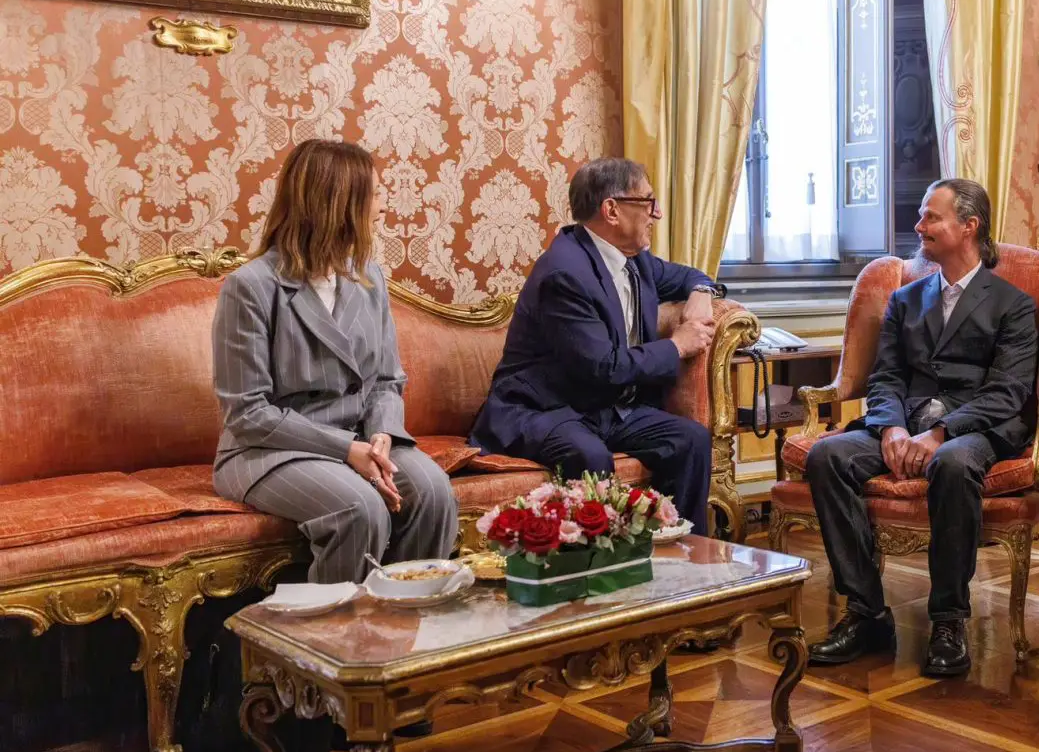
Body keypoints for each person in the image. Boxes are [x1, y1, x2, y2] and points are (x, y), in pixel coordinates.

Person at [803, 178, 1039, 677]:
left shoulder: (1013, 305)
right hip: (905, 424)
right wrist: (890, 429)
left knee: (952, 465)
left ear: (969, 226)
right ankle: (867, 613)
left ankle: (949, 621)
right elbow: (886, 377)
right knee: (828, 455)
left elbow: (1008, 393)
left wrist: (941, 433)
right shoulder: (905, 300)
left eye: (932, 216)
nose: (919, 225)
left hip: (974, 428)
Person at [212, 140, 459, 584]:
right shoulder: (250, 287)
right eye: (375, 194)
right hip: (269, 452)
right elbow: (247, 414)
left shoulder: (368, 276)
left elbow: (387, 380)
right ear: (338, 204)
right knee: (359, 509)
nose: (384, 206)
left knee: (433, 491)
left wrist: (381, 436)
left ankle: (405, 620)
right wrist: (346, 450)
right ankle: (339, 628)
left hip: (362, 440)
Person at [469, 158, 726, 533]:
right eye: (648, 201)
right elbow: (604, 367)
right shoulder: (565, 273)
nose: (657, 213)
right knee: (588, 455)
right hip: (543, 409)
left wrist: (701, 291)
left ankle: (683, 555)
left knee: (690, 439)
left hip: (602, 408)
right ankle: (604, 562)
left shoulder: (636, 261)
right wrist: (677, 346)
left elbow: (688, 275)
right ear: (612, 210)